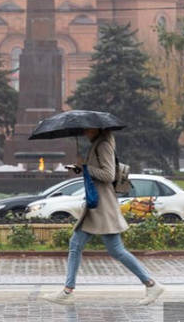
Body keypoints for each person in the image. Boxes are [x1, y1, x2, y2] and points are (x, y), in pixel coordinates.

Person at [41, 127, 164, 306]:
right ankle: (68, 290)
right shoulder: (98, 144)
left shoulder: (103, 145)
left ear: (98, 129)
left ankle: (151, 284)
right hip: (97, 206)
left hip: (102, 206)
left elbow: (108, 175)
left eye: (88, 128)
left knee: (112, 250)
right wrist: (81, 168)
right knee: (79, 245)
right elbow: (98, 172)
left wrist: (86, 167)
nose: (85, 131)